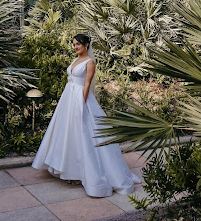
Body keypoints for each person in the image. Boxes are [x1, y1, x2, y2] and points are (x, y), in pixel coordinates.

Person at [32, 33, 141, 197]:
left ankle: (86, 174)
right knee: (67, 133)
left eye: (78, 44)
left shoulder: (90, 63)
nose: (75, 47)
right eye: (74, 44)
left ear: (87, 45)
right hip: (68, 98)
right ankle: (68, 169)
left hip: (81, 99)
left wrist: (81, 105)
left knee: (85, 135)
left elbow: (87, 85)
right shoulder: (75, 60)